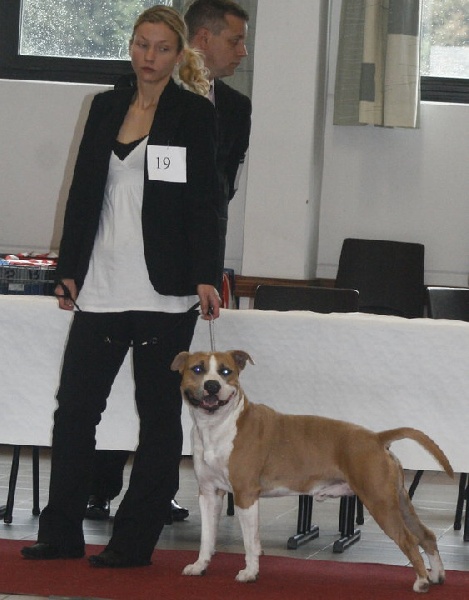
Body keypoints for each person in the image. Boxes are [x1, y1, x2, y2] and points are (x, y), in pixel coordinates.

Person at [21, 5, 220, 568]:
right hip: (102, 285)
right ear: (130, 46)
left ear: (178, 55)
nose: (148, 57)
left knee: (158, 419)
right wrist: (69, 266)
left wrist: (207, 273)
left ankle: (134, 541)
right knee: (74, 411)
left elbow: (206, 200)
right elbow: (83, 193)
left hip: (165, 291)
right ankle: (61, 532)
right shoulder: (105, 106)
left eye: (161, 48)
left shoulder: (192, 113)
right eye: (140, 44)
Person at [84, 0, 252, 525]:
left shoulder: (231, 108)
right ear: (201, 40)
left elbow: (216, 193)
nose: (242, 52)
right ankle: (99, 490)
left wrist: (204, 267)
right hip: (117, 267)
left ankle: (154, 500)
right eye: (235, 40)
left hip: (176, 266)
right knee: (98, 398)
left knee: (160, 399)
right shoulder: (122, 100)